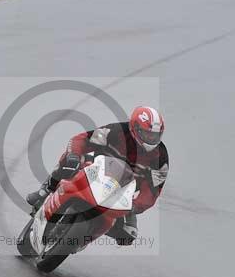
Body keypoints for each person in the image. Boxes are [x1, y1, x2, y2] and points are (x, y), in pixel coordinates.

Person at [26, 105, 169, 245]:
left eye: (155, 135)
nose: (151, 138)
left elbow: (152, 190)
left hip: (122, 193)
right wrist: (74, 155)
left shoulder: (160, 157)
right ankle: (46, 190)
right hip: (94, 173)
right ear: (134, 127)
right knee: (70, 160)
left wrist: (136, 206)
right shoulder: (115, 131)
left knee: (127, 235)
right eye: (147, 133)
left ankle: (84, 237)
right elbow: (81, 139)